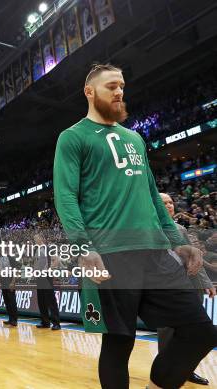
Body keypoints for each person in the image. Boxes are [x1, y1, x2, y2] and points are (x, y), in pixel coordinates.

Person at [53, 63, 217, 389]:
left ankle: (156, 385)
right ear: (89, 91)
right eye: (111, 86)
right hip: (112, 254)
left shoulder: (135, 139)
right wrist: (84, 248)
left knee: (201, 331)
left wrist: (178, 242)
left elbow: (154, 199)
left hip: (155, 252)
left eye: (122, 86)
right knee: (119, 343)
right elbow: (66, 197)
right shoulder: (72, 138)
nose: (119, 92)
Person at [158, 192, 216, 386]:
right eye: (163, 203)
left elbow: (194, 258)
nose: (169, 206)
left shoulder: (180, 229)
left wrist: (206, 282)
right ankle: (163, 374)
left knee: (194, 331)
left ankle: (186, 370)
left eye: (170, 202)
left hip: (189, 286)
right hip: (164, 288)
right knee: (168, 332)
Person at [33, 232, 61, 331]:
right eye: (34, 239)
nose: (35, 240)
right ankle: (45, 322)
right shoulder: (36, 250)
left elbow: (57, 259)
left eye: (36, 238)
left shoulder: (48, 248)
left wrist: (49, 269)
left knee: (51, 300)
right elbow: (36, 262)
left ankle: (56, 323)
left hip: (46, 276)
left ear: (41, 238)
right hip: (39, 277)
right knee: (41, 300)